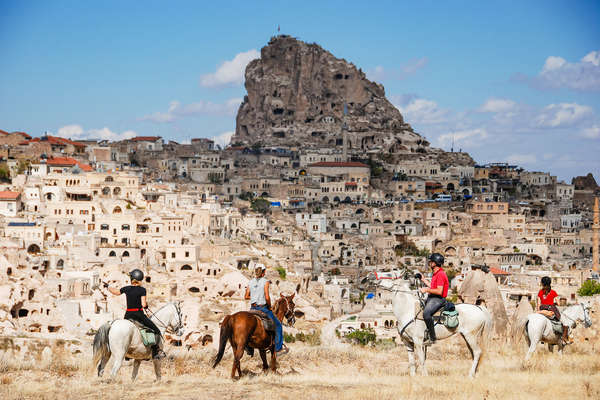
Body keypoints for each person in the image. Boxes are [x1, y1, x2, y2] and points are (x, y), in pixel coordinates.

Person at [106, 269, 166, 359]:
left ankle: (127, 354)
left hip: (128, 315)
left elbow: (116, 292)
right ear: (140, 279)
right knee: (156, 330)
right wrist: (146, 306)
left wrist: (108, 287)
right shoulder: (142, 290)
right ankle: (156, 351)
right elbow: (143, 304)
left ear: (132, 279)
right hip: (138, 315)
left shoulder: (127, 288)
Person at [244, 264, 287, 354]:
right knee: (278, 325)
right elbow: (267, 297)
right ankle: (278, 348)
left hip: (252, 308)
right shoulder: (265, 282)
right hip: (262, 308)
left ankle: (248, 347)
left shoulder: (251, 282)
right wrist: (270, 306)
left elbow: (246, 296)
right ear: (263, 272)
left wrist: (254, 297)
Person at [419, 253, 450, 345]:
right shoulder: (436, 273)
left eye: (431, 261)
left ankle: (432, 338)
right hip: (433, 297)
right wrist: (423, 280)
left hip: (438, 299)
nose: (430, 263)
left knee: (426, 314)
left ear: (435, 263)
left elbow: (439, 291)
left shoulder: (440, 274)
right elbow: (433, 287)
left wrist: (426, 290)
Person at [537, 276, 570, 345]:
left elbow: (538, 304)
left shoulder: (540, 292)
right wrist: (554, 303)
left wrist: (539, 312)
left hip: (542, 311)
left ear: (542, 284)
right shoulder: (553, 292)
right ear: (549, 284)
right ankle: (564, 338)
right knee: (565, 322)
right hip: (551, 310)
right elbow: (558, 303)